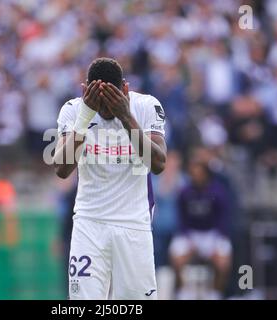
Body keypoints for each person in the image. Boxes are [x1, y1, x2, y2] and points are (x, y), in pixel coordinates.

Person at [53, 57, 167, 300]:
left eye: (111, 101)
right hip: (89, 223)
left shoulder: (146, 106)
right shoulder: (74, 110)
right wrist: (85, 116)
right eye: (100, 104)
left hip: (133, 224)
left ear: (125, 89)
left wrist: (126, 117)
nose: (105, 111)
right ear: (86, 92)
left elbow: (158, 164)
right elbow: (62, 168)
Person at [169, 159, 232, 300]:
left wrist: (215, 243)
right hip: (190, 233)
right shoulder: (184, 192)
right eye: (193, 173)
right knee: (177, 256)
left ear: (206, 174)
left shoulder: (218, 192)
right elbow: (181, 219)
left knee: (223, 261)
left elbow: (223, 218)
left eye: (198, 173)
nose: (195, 176)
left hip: (212, 234)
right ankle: (182, 291)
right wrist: (189, 241)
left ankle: (216, 292)